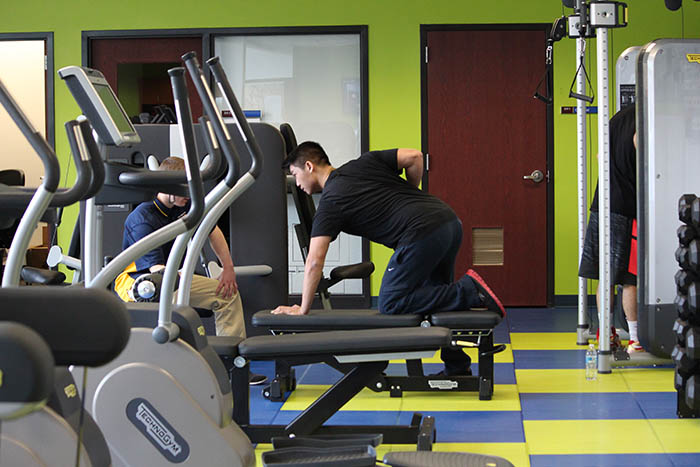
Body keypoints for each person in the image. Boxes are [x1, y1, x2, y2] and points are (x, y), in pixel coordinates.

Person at [272, 142, 505, 377]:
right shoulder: (364, 163)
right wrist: (412, 197)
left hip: (421, 233)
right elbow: (414, 157)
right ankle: (457, 367)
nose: (296, 183)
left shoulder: (332, 200)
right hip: (449, 222)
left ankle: (470, 291)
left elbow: (314, 260)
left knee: (391, 302)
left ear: (309, 166)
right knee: (439, 296)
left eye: (294, 174)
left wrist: (302, 309)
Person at [114, 156, 266, 384]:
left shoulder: (184, 207)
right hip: (139, 283)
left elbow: (211, 229)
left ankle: (231, 368)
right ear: (168, 186)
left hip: (173, 277)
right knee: (175, 301)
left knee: (227, 293)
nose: (189, 194)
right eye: (184, 188)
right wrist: (179, 278)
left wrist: (228, 268)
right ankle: (174, 372)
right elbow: (156, 269)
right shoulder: (142, 218)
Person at [578, 104, 641, 353]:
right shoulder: (647, 114)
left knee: (606, 275)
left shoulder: (618, 118)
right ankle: (636, 340)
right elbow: (640, 144)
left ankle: (607, 334)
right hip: (627, 208)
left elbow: (599, 156)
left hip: (602, 205)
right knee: (630, 277)